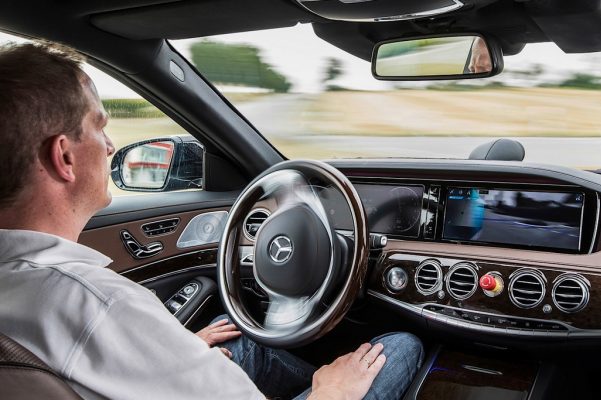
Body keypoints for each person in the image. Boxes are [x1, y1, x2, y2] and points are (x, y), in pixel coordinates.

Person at [0, 42, 423, 399]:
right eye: (99, 126)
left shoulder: (28, 289)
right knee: (402, 346)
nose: (110, 145)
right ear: (64, 156)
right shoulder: (99, 306)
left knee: (231, 331)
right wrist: (331, 392)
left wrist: (170, 353)